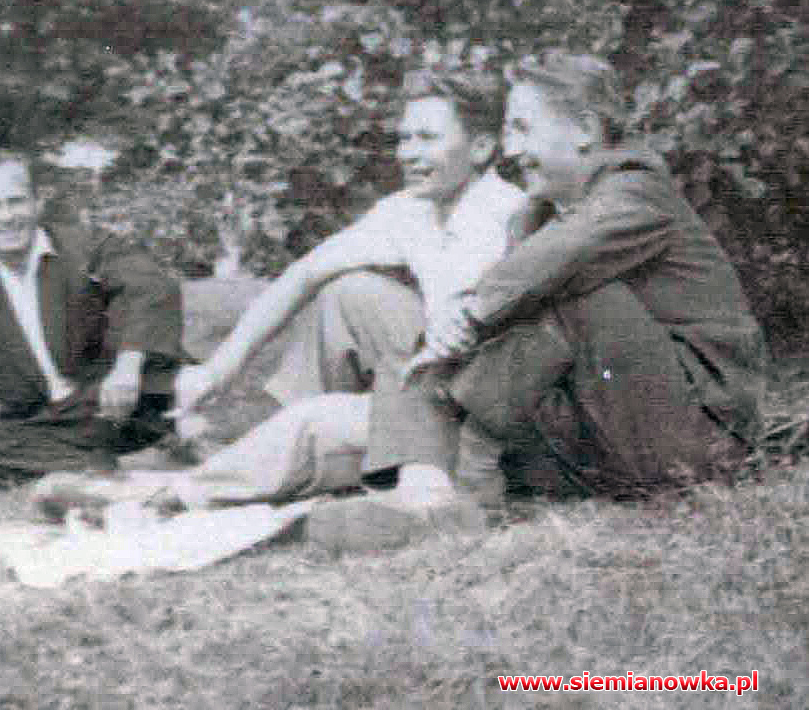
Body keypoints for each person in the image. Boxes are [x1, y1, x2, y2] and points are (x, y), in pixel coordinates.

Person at [308, 53, 766, 550]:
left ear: (585, 130)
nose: (510, 151)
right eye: (508, 132)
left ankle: (462, 484)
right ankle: (426, 494)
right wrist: (449, 331)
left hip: (699, 437)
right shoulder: (534, 217)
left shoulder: (638, 189)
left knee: (572, 290)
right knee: (434, 333)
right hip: (608, 435)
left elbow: (564, 254)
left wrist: (470, 312)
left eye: (523, 129)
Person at [148, 67, 529, 510]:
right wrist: (216, 371)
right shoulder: (411, 210)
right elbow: (305, 274)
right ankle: (285, 448)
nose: (409, 154)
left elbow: (470, 351)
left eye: (427, 138)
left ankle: (210, 483)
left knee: (318, 422)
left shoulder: (505, 215)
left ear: (481, 148)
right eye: (404, 139)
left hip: (474, 407)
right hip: (424, 381)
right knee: (348, 290)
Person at [0, 150, 186, 485]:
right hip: (47, 417)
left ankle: (91, 463)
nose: (7, 216)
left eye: (16, 201)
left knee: (158, 393)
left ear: (37, 202)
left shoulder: (86, 246)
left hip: (115, 399)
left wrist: (127, 365)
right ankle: (115, 463)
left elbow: (153, 288)